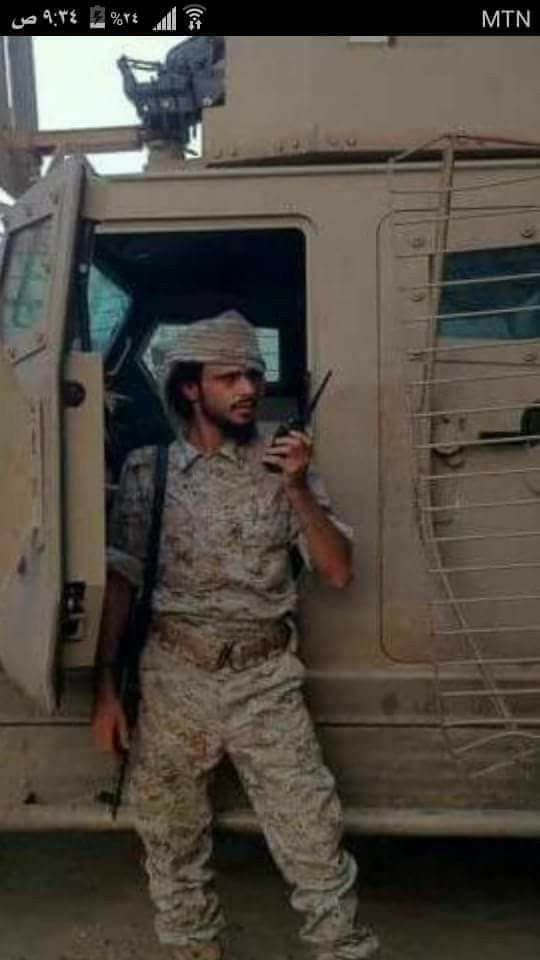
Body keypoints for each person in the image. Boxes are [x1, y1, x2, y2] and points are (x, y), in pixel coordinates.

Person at [92, 311, 380, 960]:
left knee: (314, 843)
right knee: (171, 845)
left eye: (254, 374)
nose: (248, 388)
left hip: (264, 680)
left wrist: (297, 488)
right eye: (229, 377)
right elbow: (122, 584)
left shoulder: (285, 464)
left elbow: (338, 571)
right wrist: (106, 691)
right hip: (174, 677)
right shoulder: (148, 470)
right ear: (190, 387)